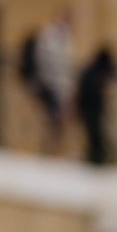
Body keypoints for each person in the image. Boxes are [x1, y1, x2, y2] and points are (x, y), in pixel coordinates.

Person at [23, 10, 77, 154]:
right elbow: (50, 64)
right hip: (52, 87)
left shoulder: (65, 39)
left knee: (58, 122)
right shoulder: (51, 38)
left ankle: (54, 152)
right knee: (51, 120)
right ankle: (48, 152)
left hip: (59, 88)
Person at [74, 45, 117, 166]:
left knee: (97, 137)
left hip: (91, 110)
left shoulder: (92, 72)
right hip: (90, 110)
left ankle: (97, 160)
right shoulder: (92, 74)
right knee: (95, 137)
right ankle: (95, 161)